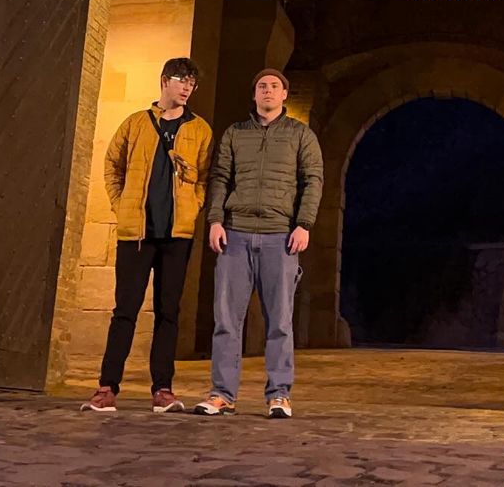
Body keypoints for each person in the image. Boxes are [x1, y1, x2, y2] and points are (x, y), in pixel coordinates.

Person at [81, 56, 212, 414]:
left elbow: (203, 176)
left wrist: (194, 206)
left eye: (191, 83)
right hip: (136, 235)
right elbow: (112, 165)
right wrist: (120, 204)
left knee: (169, 312)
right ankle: (107, 387)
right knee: (125, 311)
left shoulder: (200, 129)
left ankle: (163, 389)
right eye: (181, 80)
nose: (186, 88)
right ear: (164, 81)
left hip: (177, 235)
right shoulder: (136, 123)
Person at [193, 68, 323, 419]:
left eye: (275, 86)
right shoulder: (235, 133)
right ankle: (222, 394)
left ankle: (279, 394)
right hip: (235, 234)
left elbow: (313, 180)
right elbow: (220, 177)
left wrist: (304, 224)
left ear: (284, 95)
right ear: (254, 94)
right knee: (226, 321)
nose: (268, 91)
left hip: (280, 237)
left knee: (279, 322)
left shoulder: (300, 135)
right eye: (262, 86)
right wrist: (215, 220)